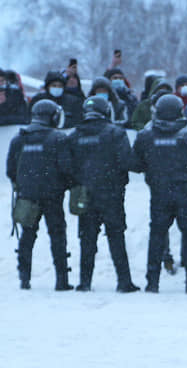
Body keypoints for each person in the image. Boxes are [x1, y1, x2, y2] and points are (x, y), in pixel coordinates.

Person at [130, 94, 187, 293]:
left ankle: (152, 282)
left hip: (159, 193)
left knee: (157, 236)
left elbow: (135, 164)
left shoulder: (146, 136)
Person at [66, 96, 139, 293]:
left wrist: (79, 182)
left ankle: (84, 282)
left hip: (84, 195)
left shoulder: (74, 135)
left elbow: (67, 166)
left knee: (87, 239)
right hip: (112, 195)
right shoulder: (116, 133)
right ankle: (124, 282)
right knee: (116, 237)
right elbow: (127, 161)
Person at [6, 100, 73, 290]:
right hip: (53, 196)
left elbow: (11, 170)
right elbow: (67, 168)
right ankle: (62, 280)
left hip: (27, 196)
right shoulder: (58, 138)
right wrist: (63, 185)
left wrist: (24, 186)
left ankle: (24, 278)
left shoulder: (19, 138)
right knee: (57, 236)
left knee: (27, 235)